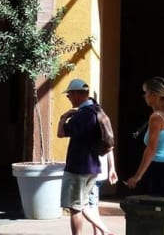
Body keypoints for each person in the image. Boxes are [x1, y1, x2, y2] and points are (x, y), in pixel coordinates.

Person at [57, 78, 114, 235]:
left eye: (69, 94)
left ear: (77, 94)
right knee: (84, 205)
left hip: (78, 167)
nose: (68, 98)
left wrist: (63, 118)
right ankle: (106, 231)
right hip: (93, 166)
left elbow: (61, 133)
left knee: (75, 208)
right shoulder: (97, 110)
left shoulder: (82, 115)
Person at [125, 76, 164, 196]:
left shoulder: (156, 117)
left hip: (159, 168)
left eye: (146, 93)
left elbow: (151, 149)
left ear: (154, 95)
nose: (144, 96)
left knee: (153, 205)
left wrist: (137, 176)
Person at [89, 150, 118, 235]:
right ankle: (99, 231)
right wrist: (112, 168)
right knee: (93, 205)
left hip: (91, 172)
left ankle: (102, 231)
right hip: (99, 172)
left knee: (90, 206)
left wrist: (112, 168)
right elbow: (110, 147)